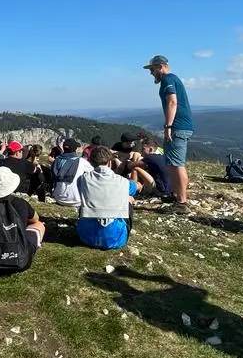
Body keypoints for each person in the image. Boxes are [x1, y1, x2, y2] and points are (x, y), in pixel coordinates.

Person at [143, 55, 195, 203]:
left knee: (176, 164)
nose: (151, 73)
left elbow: (172, 102)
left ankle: (182, 201)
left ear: (160, 66)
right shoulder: (173, 78)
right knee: (173, 163)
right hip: (182, 125)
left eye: (152, 69)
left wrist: (168, 126)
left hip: (177, 126)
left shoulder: (167, 79)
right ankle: (178, 195)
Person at [76, 146, 138, 250]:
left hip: (86, 236)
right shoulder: (123, 182)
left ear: (90, 162)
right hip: (117, 238)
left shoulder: (82, 179)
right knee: (128, 199)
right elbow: (135, 188)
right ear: (109, 163)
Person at [52, 138, 94, 207]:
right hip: (76, 201)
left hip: (58, 198)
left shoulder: (56, 160)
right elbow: (94, 173)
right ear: (75, 149)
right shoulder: (81, 161)